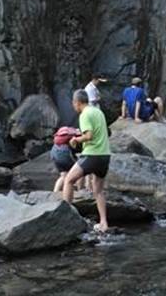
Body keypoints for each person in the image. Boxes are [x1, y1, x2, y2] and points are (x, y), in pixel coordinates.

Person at [62, 89, 110, 232]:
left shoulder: (84, 114)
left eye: (73, 103)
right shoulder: (98, 112)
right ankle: (104, 223)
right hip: (105, 155)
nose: (73, 106)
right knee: (98, 191)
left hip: (92, 155)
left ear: (77, 102)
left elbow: (88, 136)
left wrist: (76, 139)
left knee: (69, 180)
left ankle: (64, 217)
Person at [51, 126, 81, 193]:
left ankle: (55, 192)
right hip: (64, 152)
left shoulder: (65, 132)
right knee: (79, 171)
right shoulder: (76, 135)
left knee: (63, 176)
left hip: (54, 151)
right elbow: (74, 145)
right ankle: (80, 191)